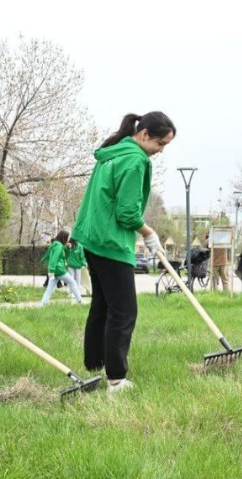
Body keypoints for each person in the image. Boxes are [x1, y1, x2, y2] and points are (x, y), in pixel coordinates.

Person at [71, 111, 175, 394]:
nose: (160, 151)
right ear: (144, 135)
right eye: (160, 144)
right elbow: (127, 212)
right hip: (111, 242)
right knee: (124, 310)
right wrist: (149, 233)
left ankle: (94, 366)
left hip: (91, 237)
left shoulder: (112, 152)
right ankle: (116, 378)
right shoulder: (135, 159)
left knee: (102, 305)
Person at [40, 231, 83, 306]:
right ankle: (79, 301)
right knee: (72, 282)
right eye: (67, 237)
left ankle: (42, 305)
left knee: (49, 289)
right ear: (64, 237)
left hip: (55, 271)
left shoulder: (56, 245)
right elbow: (54, 258)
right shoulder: (58, 246)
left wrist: (68, 249)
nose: (68, 239)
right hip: (59, 270)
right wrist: (52, 270)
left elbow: (65, 257)